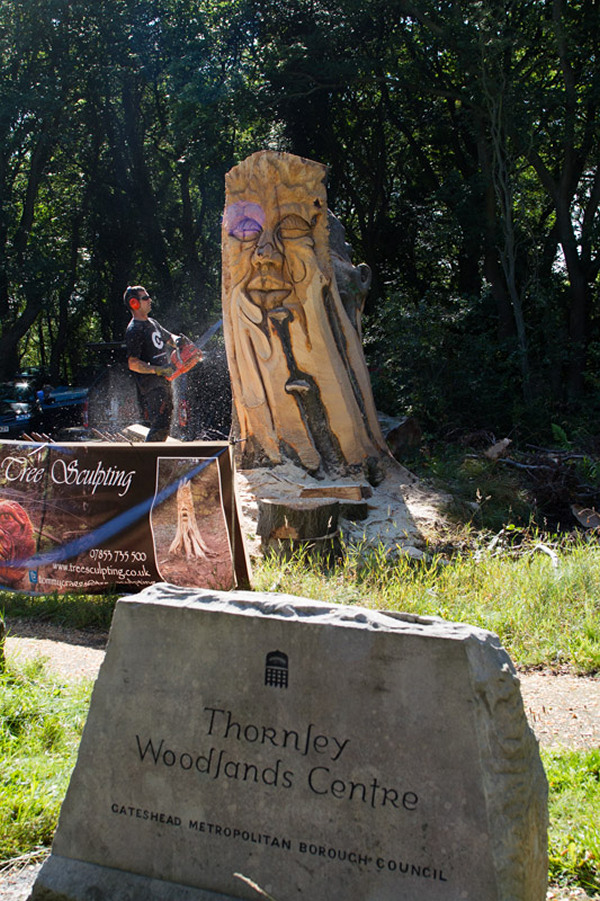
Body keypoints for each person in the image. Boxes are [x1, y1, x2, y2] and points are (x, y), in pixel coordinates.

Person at [124, 285, 191, 441]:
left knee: (165, 423)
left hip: (163, 381)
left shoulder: (152, 323)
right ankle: (150, 459)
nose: (150, 300)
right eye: (145, 298)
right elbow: (133, 363)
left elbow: (169, 338)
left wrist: (179, 341)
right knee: (160, 425)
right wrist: (158, 370)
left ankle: (156, 457)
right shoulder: (134, 330)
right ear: (134, 303)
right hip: (152, 384)